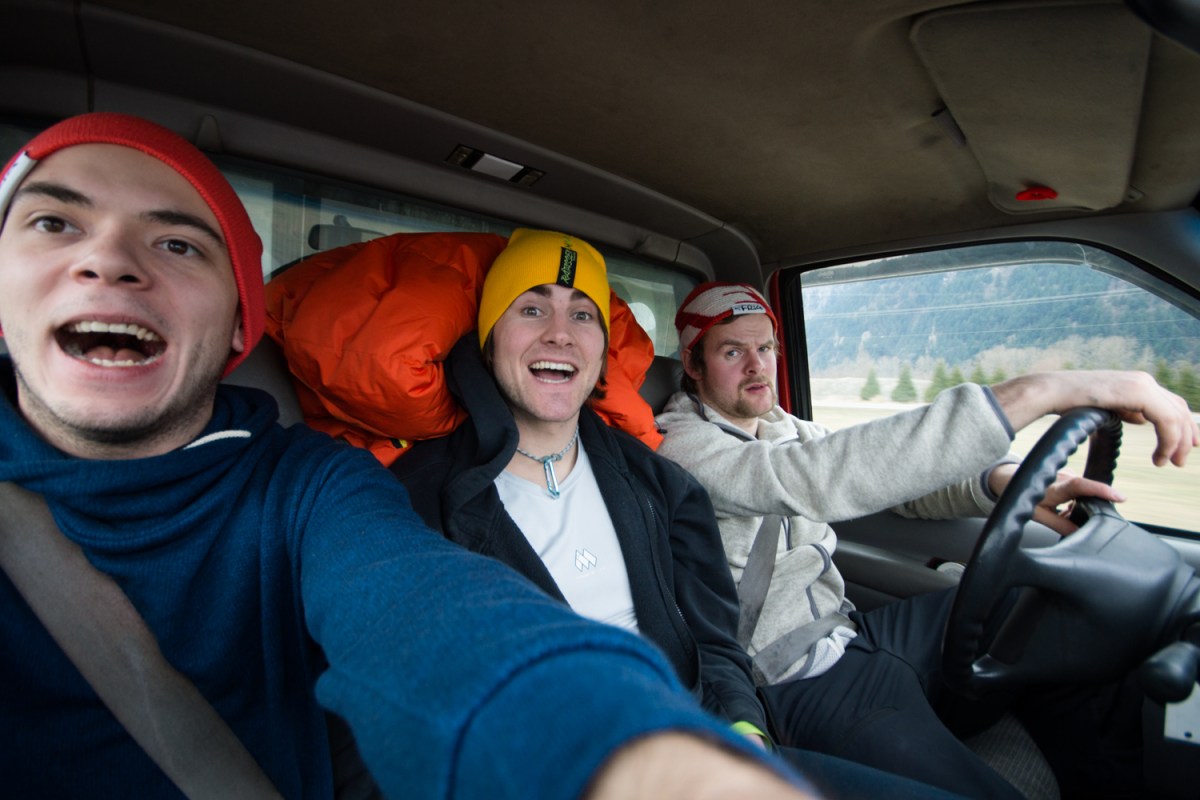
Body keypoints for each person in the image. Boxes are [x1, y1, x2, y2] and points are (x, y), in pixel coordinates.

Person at [0, 114, 817, 799]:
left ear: (240, 319)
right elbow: (440, 633)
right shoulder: (416, 485)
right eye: (53, 222)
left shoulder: (311, 487)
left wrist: (701, 746)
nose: (109, 262)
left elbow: (429, 615)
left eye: (178, 244)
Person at [391, 229, 970, 800]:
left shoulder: (654, 481)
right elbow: (400, 696)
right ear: (490, 338)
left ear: (601, 352)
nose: (560, 334)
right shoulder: (419, 497)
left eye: (583, 315)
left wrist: (744, 728)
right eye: (532, 309)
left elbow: (711, 639)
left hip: (701, 738)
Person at [655, 281, 1200, 799]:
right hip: (795, 677)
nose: (757, 365)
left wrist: (998, 482)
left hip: (855, 632)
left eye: (766, 348)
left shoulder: (784, 426)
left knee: (1053, 609)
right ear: (694, 366)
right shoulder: (681, 448)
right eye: (732, 352)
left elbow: (893, 482)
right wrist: (1041, 392)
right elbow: (816, 476)